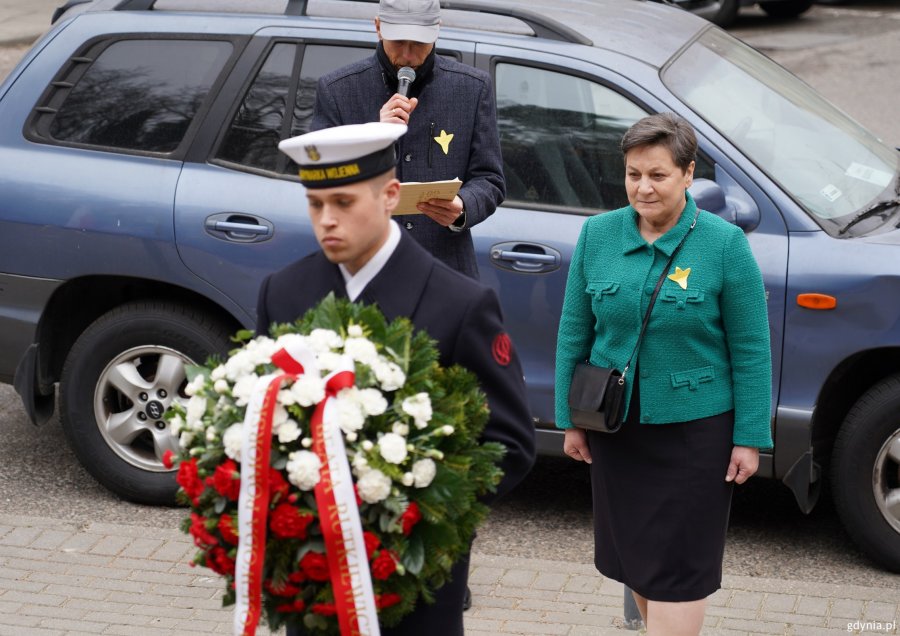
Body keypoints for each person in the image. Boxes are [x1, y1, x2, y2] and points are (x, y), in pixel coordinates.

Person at [259, 121, 536, 635]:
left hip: (412, 579)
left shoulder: (459, 304)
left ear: (390, 196)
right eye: (316, 204)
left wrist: (419, 514)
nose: (327, 220)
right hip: (311, 572)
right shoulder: (284, 292)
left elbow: (510, 443)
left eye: (343, 203)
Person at [554, 113, 772, 636]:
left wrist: (749, 437)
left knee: (679, 570)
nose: (643, 188)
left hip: (696, 435)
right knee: (639, 562)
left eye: (657, 175)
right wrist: (570, 419)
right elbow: (572, 333)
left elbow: (751, 347)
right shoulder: (597, 234)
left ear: (688, 173)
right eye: (633, 174)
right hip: (618, 430)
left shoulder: (724, 244)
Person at [309, 0, 505, 279]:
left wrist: (462, 208)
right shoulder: (338, 90)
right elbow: (319, 177)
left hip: (444, 275)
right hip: (363, 270)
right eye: (398, 41)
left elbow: (491, 179)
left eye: (419, 43)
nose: (408, 55)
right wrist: (372, 137)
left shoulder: (471, 88)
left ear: (437, 31)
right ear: (378, 28)